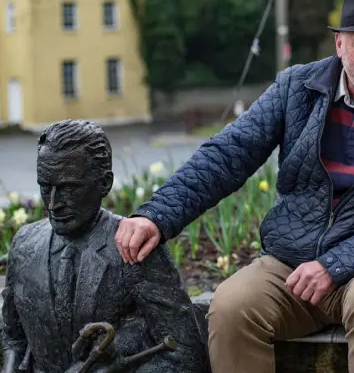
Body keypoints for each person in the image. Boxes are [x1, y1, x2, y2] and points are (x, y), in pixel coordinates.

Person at [114, 0, 354, 373]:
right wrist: (156, 215)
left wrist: (334, 264)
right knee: (230, 308)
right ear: (339, 44)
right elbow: (229, 153)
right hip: (290, 263)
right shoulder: (297, 88)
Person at [1, 120, 208, 373]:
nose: (53, 204)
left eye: (69, 189)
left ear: (105, 184)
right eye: (45, 187)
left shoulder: (132, 248)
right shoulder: (25, 244)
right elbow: (13, 338)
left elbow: (186, 353)